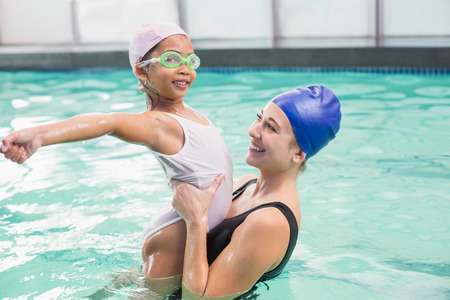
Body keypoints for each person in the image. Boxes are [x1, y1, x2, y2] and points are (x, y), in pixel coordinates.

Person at [0, 22, 233, 297]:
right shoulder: (159, 124)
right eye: (171, 59)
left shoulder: (185, 112)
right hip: (172, 242)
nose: (185, 68)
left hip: (178, 233)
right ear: (141, 70)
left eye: (190, 60)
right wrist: (39, 135)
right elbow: (106, 122)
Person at [170, 85, 341, 299]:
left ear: (298, 153)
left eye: (270, 127)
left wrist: (195, 221)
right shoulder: (246, 184)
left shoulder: (269, 223)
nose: (253, 130)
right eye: (259, 118)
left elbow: (200, 299)